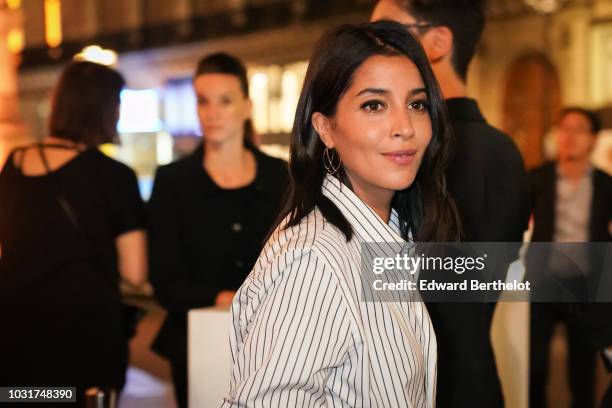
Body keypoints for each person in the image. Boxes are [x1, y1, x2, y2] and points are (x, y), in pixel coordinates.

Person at [221, 20, 461, 407]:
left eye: (416, 104)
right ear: (325, 128)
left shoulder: (385, 238)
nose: (404, 127)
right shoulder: (313, 260)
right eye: (374, 105)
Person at [371, 1, 531, 406]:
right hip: (474, 381)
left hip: (424, 386)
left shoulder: (420, 149)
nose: (371, 44)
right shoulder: (505, 151)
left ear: (438, 42)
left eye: (387, 31)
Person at [0, 61, 147, 404]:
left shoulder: (14, 164)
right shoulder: (114, 177)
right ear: (104, 109)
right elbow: (136, 272)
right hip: (84, 344)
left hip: (15, 338)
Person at [148, 52, 288, 408]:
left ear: (247, 106)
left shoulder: (281, 176)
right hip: (197, 342)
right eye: (203, 101)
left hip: (272, 342)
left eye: (225, 101)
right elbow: (165, 281)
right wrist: (226, 298)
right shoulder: (172, 181)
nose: (211, 112)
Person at [528, 108, 612, 408]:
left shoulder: (605, 184)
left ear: (592, 139)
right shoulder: (538, 178)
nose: (569, 136)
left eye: (578, 129)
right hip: (543, 282)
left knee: (583, 370)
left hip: (585, 286)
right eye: (564, 128)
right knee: (533, 367)